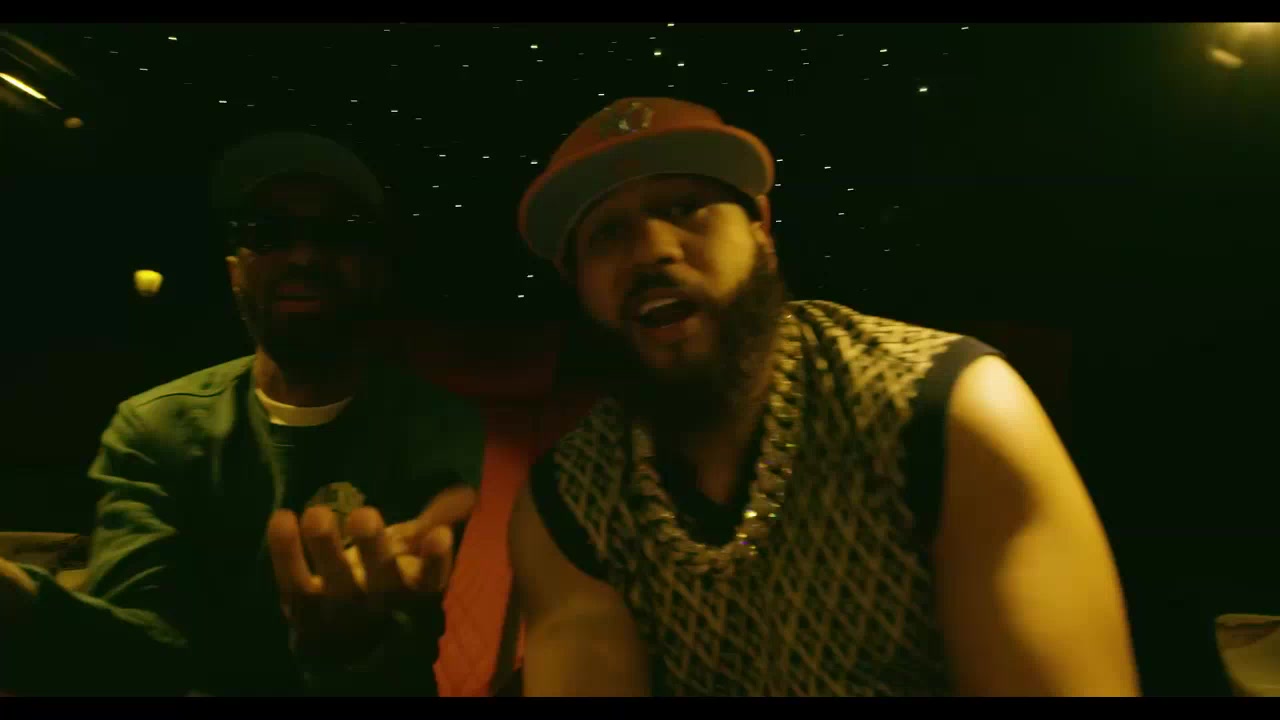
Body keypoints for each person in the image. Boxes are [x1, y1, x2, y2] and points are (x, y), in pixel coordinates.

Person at [508, 98, 1140, 697]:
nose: (651, 250)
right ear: (580, 285)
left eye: (686, 206)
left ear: (761, 230)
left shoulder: (940, 408)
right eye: (607, 233)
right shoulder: (571, 499)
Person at [0, 132, 485, 696]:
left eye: (339, 232)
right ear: (235, 271)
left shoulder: (438, 428)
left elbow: (414, 648)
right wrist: (21, 604)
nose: (303, 256)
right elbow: (136, 646)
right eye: (268, 232)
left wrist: (356, 647)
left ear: (376, 269)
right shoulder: (155, 428)